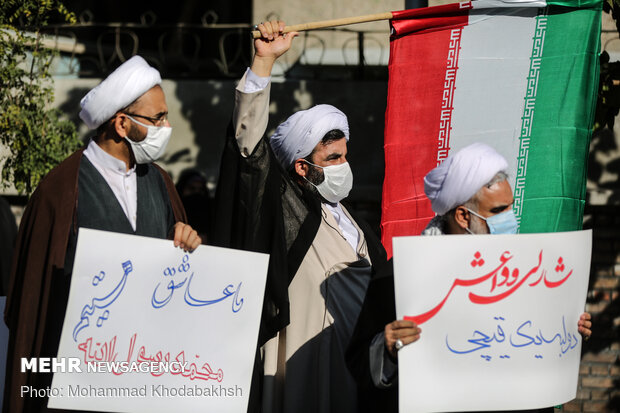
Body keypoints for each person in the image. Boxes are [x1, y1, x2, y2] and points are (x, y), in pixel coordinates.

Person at [3, 55, 201, 413]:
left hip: (146, 379)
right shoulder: (59, 192)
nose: (166, 126)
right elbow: (32, 301)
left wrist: (184, 240)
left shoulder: (160, 182)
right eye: (157, 118)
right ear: (122, 124)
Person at [213, 21, 390, 413]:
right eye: (332, 159)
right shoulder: (284, 210)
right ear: (301, 168)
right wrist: (263, 63)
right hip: (304, 370)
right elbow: (249, 155)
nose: (344, 166)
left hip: (359, 368)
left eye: (344, 155)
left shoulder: (351, 220)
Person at [347, 142, 592, 413]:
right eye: (499, 211)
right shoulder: (397, 276)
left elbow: (538, 344)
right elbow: (360, 366)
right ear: (463, 216)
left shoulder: (528, 273)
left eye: (511, 207)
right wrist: (388, 347)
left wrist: (568, 331)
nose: (511, 219)